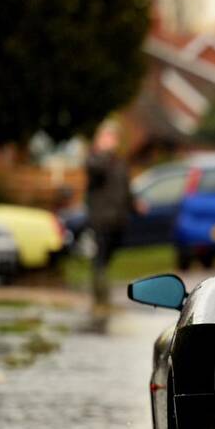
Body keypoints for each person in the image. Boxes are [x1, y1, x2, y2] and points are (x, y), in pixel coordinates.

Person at [84, 125, 136, 311]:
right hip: (101, 218)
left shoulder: (119, 162)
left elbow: (126, 188)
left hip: (118, 219)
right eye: (107, 137)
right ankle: (100, 298)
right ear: (99, 141)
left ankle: (102, 296)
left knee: (107, 257)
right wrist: (104, 151)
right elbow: (97, 171)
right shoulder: (95, 160)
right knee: (100, 258)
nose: (111, 141)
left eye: (113, 137)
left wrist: (135, 205)